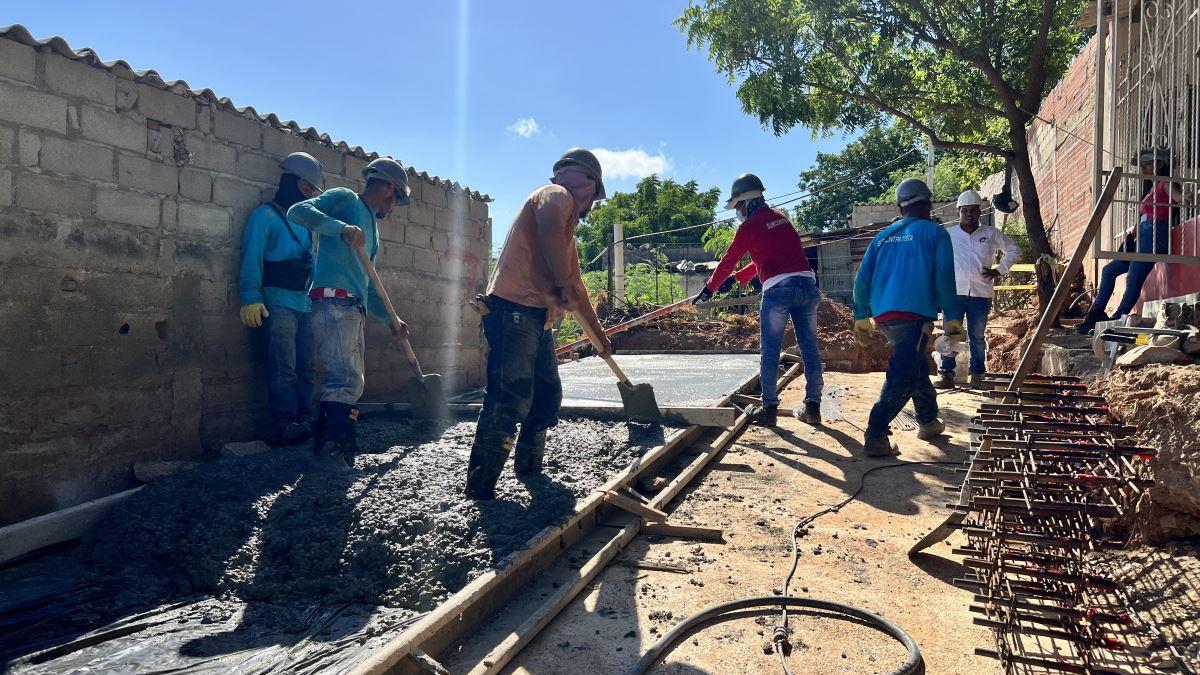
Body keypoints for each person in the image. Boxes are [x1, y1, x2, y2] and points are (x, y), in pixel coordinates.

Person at [465, 148, 612, 500]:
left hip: (537, 318)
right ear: (589, 185)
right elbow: (553, 245)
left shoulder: (567, 239)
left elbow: (576, 288)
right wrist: (561, 282)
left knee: (546, 395)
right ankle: (480, 489)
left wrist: (599, 337)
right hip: (513, 308)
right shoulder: (554, 195)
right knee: (510, 395)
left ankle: (529, 472)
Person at [288, 158, 411, 472]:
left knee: (351, 381)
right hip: (333, 302)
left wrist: (391, 321)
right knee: (344, 379)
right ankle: (327, 454)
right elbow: (298, 212)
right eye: (397, 198)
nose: (395, 206)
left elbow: (368, 284)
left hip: (352, 305)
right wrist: (340, 229)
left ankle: (340, 450)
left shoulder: (372, 228)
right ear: (387, 189)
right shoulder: (346, 199)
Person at [696, 173, 823, 427]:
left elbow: (728, 260)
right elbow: (764, 261)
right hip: (807, 287)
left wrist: (710, 288)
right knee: (809, 349)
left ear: (744, 202)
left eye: (737, 207)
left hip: (778, 291)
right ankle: (813, 407)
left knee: (770, 351)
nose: (737, 212)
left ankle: (769, 408)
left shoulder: (749, 227)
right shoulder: (781, 220)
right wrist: (735, 280)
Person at [852, 178, 965, 457]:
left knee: (915, 365)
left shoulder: (882, 237)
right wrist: (952, 316)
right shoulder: (935, 233)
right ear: (928, 204)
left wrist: (860, 315)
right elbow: (944, 278)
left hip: (885, 317)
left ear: (901, 208)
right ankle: (876, 433)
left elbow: (862, 279)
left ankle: (927, 420)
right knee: (902, 375)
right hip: (913, 315)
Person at [238, 152, 324, 445]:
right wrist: (250, 296)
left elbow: (312, 263)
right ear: (299, 185)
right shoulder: (264, 216)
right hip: (276, 302)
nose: (312, 195)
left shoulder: (306, 224)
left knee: (307, 366)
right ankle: (286, 423)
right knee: (283, 365)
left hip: (304, 302)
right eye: (310, 189)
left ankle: (306, 419)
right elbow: (252, 258)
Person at [1076, 148, 1184, 334]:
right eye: (1143, 165)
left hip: (1154, 236)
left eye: (1148, 164)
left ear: (1160, 165)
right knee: (1109, 270)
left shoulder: (1166, 183)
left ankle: (1119, 318)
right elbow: (1142, 218)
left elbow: (1178, 197)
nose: (1144, 169)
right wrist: (1130, 238)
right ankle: (1096, 313)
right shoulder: (1151, 189)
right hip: (1140, 237)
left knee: (1133, 279)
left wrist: (1186, 197)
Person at [934, 189, 1020, 389]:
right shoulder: (948, 235)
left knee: (977, 337)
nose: (969, 214)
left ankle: (978, 376)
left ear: (979, 213)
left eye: (973, 210)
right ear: (958, 213)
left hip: (981, 294)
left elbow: (1015, 250)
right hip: (953, 294)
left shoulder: (990, 234)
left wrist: (999, 270)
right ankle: (946, 374)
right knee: (951, 334)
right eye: (965, 211)